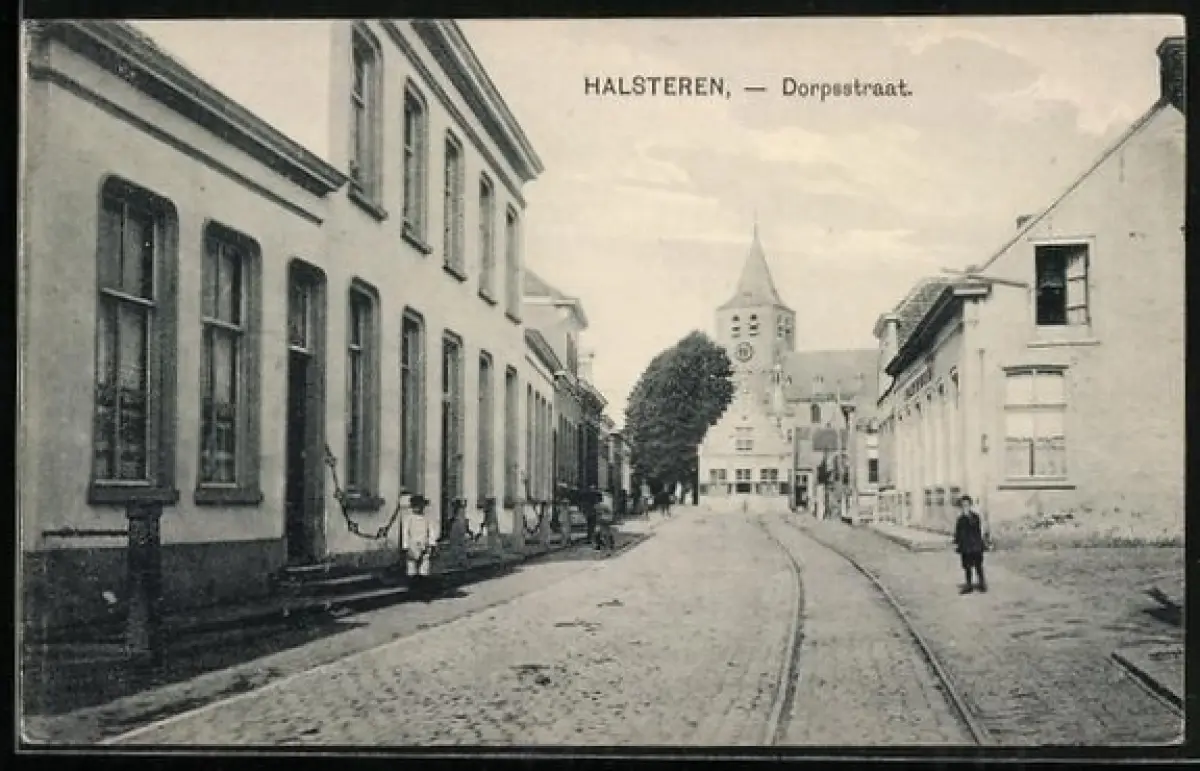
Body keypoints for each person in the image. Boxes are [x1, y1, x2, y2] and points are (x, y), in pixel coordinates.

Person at [953, 494, 988, 593]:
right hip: (965, 547)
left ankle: (982, 584)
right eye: (963, 505)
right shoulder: (960, 519)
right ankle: (969, 586)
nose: (965, 507)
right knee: (967, 567)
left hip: (975, 545)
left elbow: (977, 528)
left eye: (967, 505)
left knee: (978, 566)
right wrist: (957, 542)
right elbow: (958, 532)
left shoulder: (975, 517)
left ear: (970, 505)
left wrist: (968, 516)